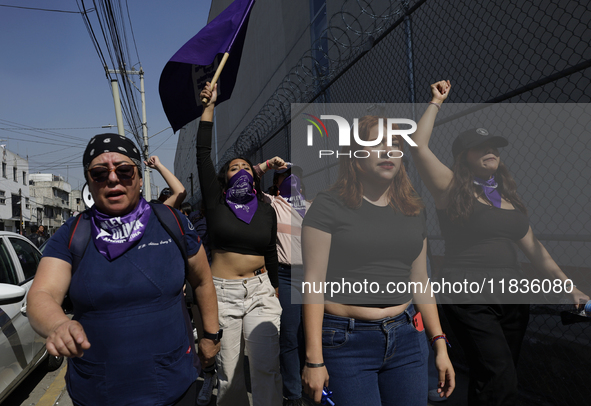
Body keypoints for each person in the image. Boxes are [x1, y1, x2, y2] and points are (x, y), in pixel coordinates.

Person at [409, 80, 590, 406]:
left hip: (512, 296)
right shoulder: (450, 188)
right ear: (464, 157)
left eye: (494, 146)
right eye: (481, 147)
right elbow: (419, 147)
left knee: (493, 377)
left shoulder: (506, 197)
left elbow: (536, 250)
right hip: (469, 294)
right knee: (499, 375)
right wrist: (436, 102)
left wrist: (569, 287)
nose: (491, 150)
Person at [26, 133, 220, 406]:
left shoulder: (171, 222)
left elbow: (202, 281)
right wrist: (58, 325)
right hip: (98, 393)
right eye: (99, 173)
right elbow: (41, 294)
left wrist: (211, 336)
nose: (113, 179)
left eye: (124, 170)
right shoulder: (73, 234)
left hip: (174, 386)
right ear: (90, 183)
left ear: (139, 178)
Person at [301, 115, 455, 405]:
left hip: (407, 338)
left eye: (395, 144)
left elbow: (421, 281)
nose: (388, 151)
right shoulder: (328, 205)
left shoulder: (413, 209)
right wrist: (314, 360)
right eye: (376, 143)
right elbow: (313, 283)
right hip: (346, 344)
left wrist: (440, 343)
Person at [197, 83, 282, 406]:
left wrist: (273, 286)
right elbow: (202, 153)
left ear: (255, 176)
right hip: (223, 295)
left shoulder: (265, 209)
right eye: (234, 167)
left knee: (266, 369)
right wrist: (209, 108)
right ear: (225, 178)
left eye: (247, 166)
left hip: (261, 291)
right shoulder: (216, 203)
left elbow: (271, 250)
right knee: (229, 375)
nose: (242, 169)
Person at [255, 159, 310, 406]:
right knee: (289, 336)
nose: (291, 180)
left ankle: (309, 382)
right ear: (276, 184)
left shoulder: (311, 208)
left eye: (295, 176)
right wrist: (266, 166)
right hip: (286, 277)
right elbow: (248, 185)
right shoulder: (272, 205)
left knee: (308, 334)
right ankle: (294, 394)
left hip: (310, 277)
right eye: (285, 176)